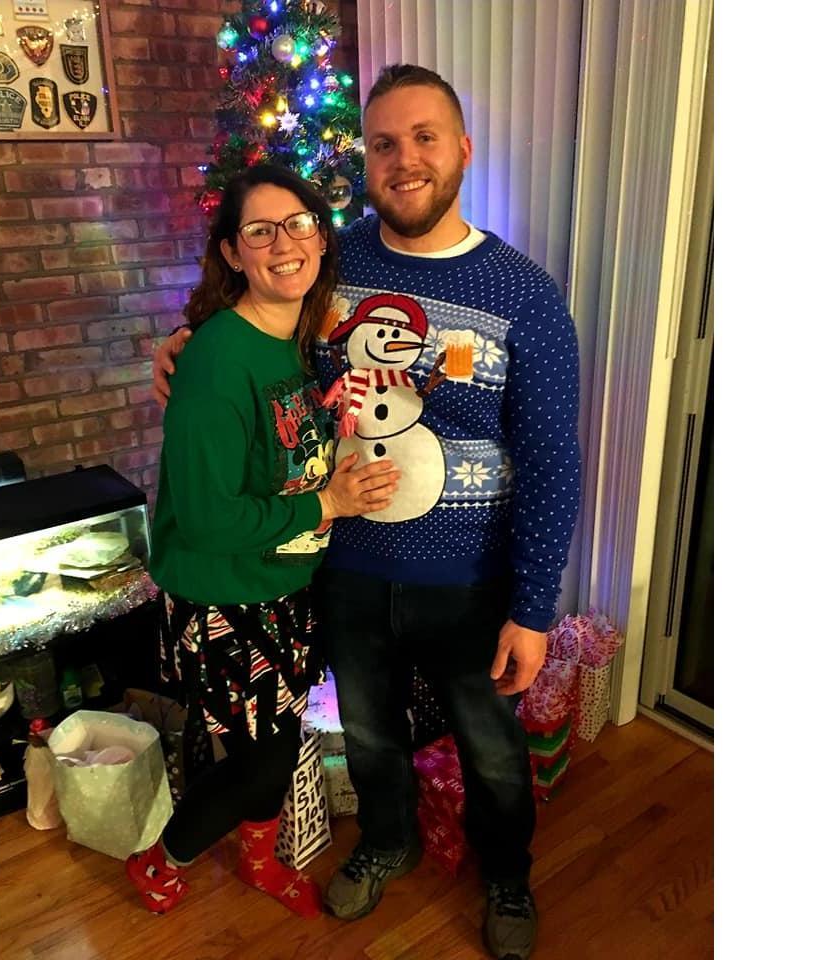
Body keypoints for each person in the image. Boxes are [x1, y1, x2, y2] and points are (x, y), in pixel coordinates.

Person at [153, 66, 581, 960]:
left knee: (491, 749)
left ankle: (507, 874)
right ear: (367, 159)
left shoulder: (525, 295)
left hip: (470, 580)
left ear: (463, 150)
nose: (404, 159)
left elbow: (552, 461)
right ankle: (388, 841)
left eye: (425, 137)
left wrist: (535, 607)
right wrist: (186, 342)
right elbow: (253, 323)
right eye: (384, 142)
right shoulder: (330, 264)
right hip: (345, 569)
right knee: (371, 735)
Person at [127, 164, 400, 917]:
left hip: (281, 589)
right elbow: (208, 520)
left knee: (272, 753)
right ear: (232, 252)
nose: (285, 243)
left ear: (321, 236)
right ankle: (159, 861)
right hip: (223, 598)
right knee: (259, 764)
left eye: (299, 223)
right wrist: (328, 503)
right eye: (260, 230)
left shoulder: (303, 339)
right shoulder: (218, 362)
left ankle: (255, 858)